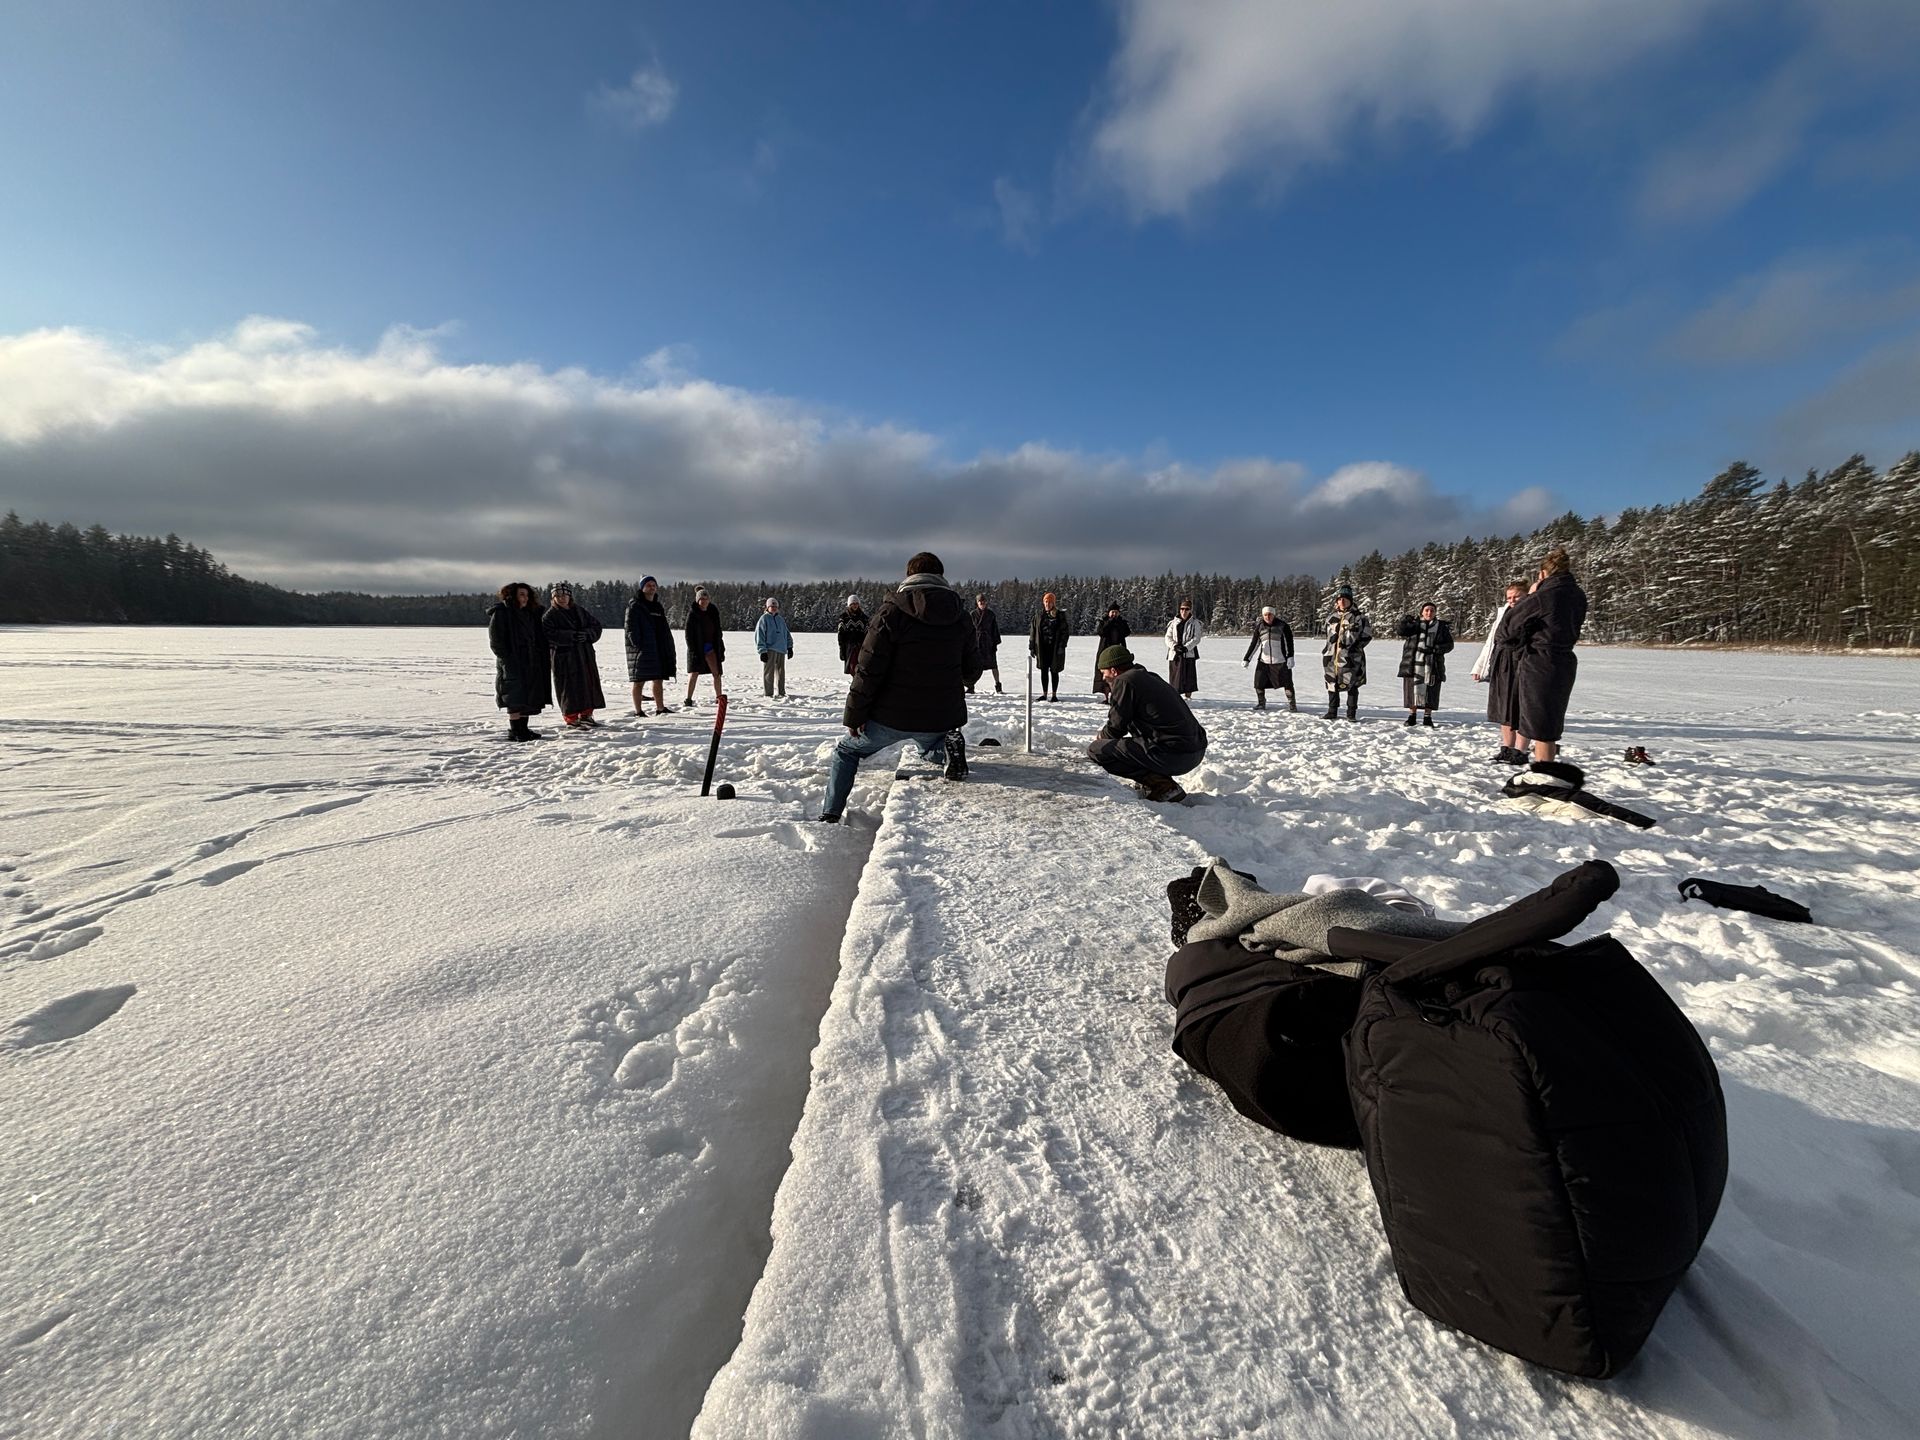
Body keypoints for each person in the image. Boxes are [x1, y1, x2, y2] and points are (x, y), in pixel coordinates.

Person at [819, 551, 982, 823]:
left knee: (846, 752)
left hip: (890, 716)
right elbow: (972, 672)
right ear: (941, 577)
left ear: (909, 576)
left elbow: (868, 670)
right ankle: (944, 751)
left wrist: (855, 715)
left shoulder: (890, 613)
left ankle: (830, 814)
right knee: (929, 748)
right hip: (941, 715)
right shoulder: (961, 616)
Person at [1087, 644, 1209, 804]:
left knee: (1097, 750)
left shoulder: (1125, 681)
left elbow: (1116, 726)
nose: (1103, 678)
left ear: (1114, 671)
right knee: (1130, 744)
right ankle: (1156, 781)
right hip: (1194, 750)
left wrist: (1101, 738)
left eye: (1104, 673)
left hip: (1174, 754)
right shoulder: (1147, 677)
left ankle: (1163, 785)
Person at [1503, 547, 1588, 763]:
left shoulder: (1545, 595)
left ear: (1542, 574)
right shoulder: (1578, 594)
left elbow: (1508, 625)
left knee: (1539, 726)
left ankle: (1544, 772)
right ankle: (1546, 769)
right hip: (1565, 661)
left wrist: (1531, 595)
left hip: (1539, 660)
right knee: (1549, 724)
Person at [1470, 580, 1529, 763]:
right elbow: (1491, 641)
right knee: (1503, 707)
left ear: (1526, 595)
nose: (1512, 600)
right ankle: (1507, 747)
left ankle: (1520, 751)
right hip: (1501, 661)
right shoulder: (1504, 613)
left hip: (1521, 661)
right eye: (1509, 597)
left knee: (1519, 707)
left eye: (1516, 596)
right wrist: (1479, 666)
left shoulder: (1531, 611)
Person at [486, 581, 552, 741]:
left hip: (531, 661)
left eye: (527, 595)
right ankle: (515, 730)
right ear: (512, 595)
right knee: (514, 695)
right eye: (522, 594)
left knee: (527, 696)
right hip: (512, 662)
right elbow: (496, 641)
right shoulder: (502, 613)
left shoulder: (531, 614)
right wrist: (508, 658)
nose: (525, 598)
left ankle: (523, 728)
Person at [544, 582, 606, 728]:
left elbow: (596, 626)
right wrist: (571, 636)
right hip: (564, 657)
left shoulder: (579, 610)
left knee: (587, 684)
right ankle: (571, 718)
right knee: (568, 688)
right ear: (553, 598)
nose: (562, 598)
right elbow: (547, 634)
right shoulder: (550, 616)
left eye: (564, 595)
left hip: (584, 655)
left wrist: (587, 634)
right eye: (558, 596)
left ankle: (586, 715)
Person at [624, 575, 676, 716]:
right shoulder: (635, 605)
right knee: (639, 681)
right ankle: (638, 711)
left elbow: (663, 628)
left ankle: (660, 708)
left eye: (654, 585)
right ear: (642, 588)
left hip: (657, 648)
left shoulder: (657, 606)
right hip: (641, 650)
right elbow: (631, 628)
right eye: (648, 585)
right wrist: (638, 645)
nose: (652, 587)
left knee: (658, 679)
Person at [1395, 602, 1454, 727]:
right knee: (1412, 690)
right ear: (1422, 612)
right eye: (1426, 610)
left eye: (1432, 610)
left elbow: (1449, 645)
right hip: (1413, 663)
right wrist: (1404, 621)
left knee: (1431, 690)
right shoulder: (1415, 625)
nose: (1429, 613)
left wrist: (1435, 649)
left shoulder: (1441, 627)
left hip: (1433, 664)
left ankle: (1428, 717)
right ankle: (1412, 715)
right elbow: (1401, 631)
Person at [1321, 584, 1372, 721]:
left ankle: (1351, 713)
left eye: (1345, 599)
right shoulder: (1331, 618)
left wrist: (1355, 648)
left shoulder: (1359, 617)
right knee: (1332, 684)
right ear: (1336, 601)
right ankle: (1332, 711)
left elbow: (1367, 636)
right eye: (1339, 599)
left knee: (1352, 685)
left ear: (1351, 600)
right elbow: (1327, 634)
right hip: (1331, 657)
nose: (1342, 601)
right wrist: (1327, 649)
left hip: (1351, 658)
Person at [1242, 605, 1296, 711]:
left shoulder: (1282, 626)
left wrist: (1290, 657)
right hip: (1264, 661)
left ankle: (1292, 704)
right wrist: (1247, 658)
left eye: (1270, 614)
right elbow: (1254, 644)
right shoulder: (1260, 627)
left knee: (1288, 684)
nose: (1268, 617)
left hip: (1281, 661)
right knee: (1258, 683)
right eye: (1265, 615)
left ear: (1274, 615)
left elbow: (1289, 643)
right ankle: (1261, 703)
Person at [684, 586, 726, 707]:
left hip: (711, 648)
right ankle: (688, 699)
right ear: (698, 601)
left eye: (706, 598)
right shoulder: (692, 614)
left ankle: (719, 697)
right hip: (697, 649)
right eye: (701, 599)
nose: (704, 601)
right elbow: (688, 635)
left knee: (716, 673)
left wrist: (721, 649)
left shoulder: (713, 613)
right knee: (694, 673)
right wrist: (693, 651)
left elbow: (718, 632)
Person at [1030, 592, 1070, 702]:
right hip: (1042, 648)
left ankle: (1054, 695)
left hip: (1055, 649)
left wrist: (1062, 645)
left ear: (1054, 603)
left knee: (1054, 671)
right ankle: (1044, 694)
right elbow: (1033, 631)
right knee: (1043, 671)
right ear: (1043, 603)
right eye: (1046, 602)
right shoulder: (1039, 615)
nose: (1048, 604)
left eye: (1050, 602)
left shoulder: (1059, 616)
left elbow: (1065, 632)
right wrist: (1032, 646)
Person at [754, 596, 794, 698]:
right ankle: (768, 693)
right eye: (772, 606)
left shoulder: (780, 620)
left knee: (781, 673)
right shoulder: (764, 619)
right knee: (769, 673)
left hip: (781, 649)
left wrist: (789, 647)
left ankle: (782, 692)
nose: (774, 608)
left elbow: (786, 633)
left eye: (775, 606)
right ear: (767, 607)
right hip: (769, 649)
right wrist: (762, 650)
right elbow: (760, 635)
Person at [1165, 598, 1205, 698]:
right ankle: (1175, 697)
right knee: (1175, 677)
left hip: (1188, 654)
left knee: (1189, 677)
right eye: (1182, 609)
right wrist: (1175, 646)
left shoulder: (1195, 623)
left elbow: (1196, 638)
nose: (1184, 611)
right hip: (1175, 654)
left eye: (1186, 609)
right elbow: (1167, 637)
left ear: (1190, 610)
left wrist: (1186, 647)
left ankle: (1188, 697)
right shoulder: (1173, 623)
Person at [1094, 601, 1130, 697]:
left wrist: (1118, 624)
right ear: (1109, 612)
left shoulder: (1121, 622)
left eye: (1116, 612)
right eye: (1112, 612)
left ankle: (1116, 694)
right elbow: (1101, 632)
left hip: (1118, 651)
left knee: (1118, 673)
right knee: (1105, 674)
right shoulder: (1103, 621)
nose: (1114, 614)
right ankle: (1106, 696)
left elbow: (1127, 632)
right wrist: (1110, 622)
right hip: (1104, 651)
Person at [971, 594, 1004, 694]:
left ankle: (998, 685)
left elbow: (995, 629)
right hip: (977, 643)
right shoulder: (972, 614)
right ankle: (970, 685)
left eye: (983, 601)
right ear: (977, 603)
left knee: (993, 665)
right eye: (980, 601)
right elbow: (969, 629)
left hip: (988, 643)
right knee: (974, 666)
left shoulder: (991, 614)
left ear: (986, 602)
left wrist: (995, 643)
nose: (982, 603)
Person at [837, 595, 869, 677]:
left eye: (856, 603)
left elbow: (868, 634)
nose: (855, 605)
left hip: (861, 647)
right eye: (853, 603)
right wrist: (842, 649)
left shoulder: (864, 618)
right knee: (852, 668)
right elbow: (841, 634)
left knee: (862, 669)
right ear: (849, 605)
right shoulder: (844, 617)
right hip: (849, 647)